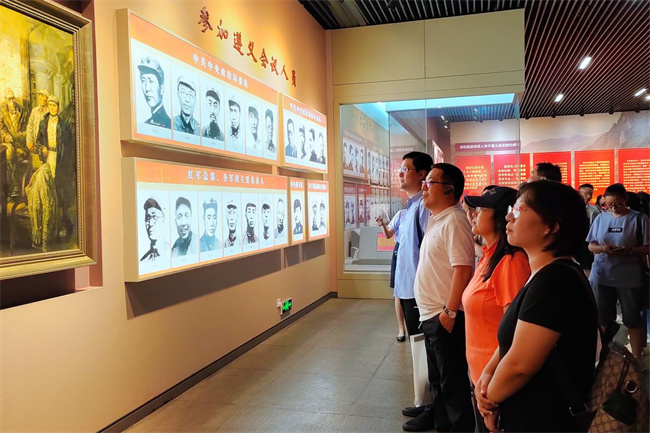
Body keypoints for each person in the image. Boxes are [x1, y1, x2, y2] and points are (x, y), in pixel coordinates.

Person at [475, 180, 598, 432]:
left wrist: (488, 400)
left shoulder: (555, 280)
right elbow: (512, 341)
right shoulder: (542, 273)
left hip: (545, 419)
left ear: (552, 226)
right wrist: (487, 374)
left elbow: (521, 364)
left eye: (519, 210)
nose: (509, 216)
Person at [404, 163, 475, 433]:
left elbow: (463, 269)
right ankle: (444, 425)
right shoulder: (439, 219)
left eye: (429, 183)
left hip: (444, 315)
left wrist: (450, 311)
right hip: (432, 314)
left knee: (452, 381)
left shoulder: (455, 221)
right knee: (439, 381)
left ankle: (461, 428)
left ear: (449, 189)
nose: (424, 187)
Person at [461, 186, 530, 432]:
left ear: (501, 217)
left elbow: (514, 334)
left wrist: (492, 383)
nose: (473, 214)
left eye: (481, 210)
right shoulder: (489, 256)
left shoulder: (511, 262)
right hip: (480, 375)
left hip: (495, 382)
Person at [587, 183, 649, 357]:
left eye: (618, 204)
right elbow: (591, 245)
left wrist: (630, 250)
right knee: (602, 317)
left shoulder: (639, 219)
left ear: (625, 200)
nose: (613, 208)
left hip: (629, 275)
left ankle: (636, 356)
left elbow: (647, 247)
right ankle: (603, 357)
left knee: (632, 317)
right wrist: (603, 248)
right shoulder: (601, 218)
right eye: (609, 205)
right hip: (602, 273)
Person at [35, 95, 74, 238]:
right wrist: (42, 148)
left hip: (61, 160)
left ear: (58, 107)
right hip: (48, 159)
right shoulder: (43, 123)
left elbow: (69, 146)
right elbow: (38, 141)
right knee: (49, 192)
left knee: (61, 193)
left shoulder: (64, 125)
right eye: (50, 105)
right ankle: (50, 226)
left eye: (54, 105)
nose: (52, 108)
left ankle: (64, 224)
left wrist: (66, 163)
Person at [377, 209, 407, 341]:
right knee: (398, 291)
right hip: (400, 250)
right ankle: (401, 328)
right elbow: (389, 235)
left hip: (416, 251)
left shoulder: (424, 212)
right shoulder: (401, 214)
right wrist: (382, 225)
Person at [1, 88, 29, 199]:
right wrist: (6, 136)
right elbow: (1, 128)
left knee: (10, 154)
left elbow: (28, 131)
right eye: (9, 99)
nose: (12, 101)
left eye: (13, 98)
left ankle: (14, 187)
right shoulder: (2, 112)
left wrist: (16, 136)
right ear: (5, 100)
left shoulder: (23, 112)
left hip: (21, 145)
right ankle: (10, 187)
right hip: (10, 144)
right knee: (7, 153)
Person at [137, 57, 171, 128]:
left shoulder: (170, 125)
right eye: (143, 81)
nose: (147, 89)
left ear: (162, 88)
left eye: (151, 81)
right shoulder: (145, 125)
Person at [577, 183, 601, 275]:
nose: (588, 196)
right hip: (574, 239)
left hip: (587, 240)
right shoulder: (571, 207)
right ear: (579, 193)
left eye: (590, 194)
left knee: (587, 265)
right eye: (586, 193)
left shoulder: (594, 210)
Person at [26, 88, 50, 172]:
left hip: (47, 148)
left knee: (46, 170)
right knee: (35, 170)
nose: (40, 98)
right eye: (39, 95)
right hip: (35, 147)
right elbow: (30, 127)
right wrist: (29, 141)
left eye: (43, 96)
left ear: (47, 99)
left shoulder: (50, 111)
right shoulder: (34, 111)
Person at [140, 197, 170, 262]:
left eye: (154, 217)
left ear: (164, 220)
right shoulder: (143, 261)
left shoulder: (173, 252)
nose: (150, 224)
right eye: (147, 218)